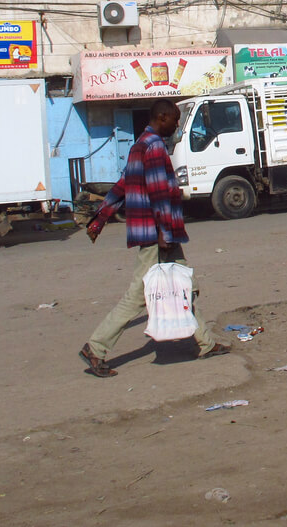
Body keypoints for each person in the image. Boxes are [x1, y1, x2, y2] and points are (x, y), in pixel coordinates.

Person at [79, 99, 229, 378]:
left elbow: (123, 184)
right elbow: (159, 194)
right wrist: (164, 232)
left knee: (185, 286)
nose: (176, 126)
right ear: (162, 118)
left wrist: (100, 218)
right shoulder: (155, 148)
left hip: (154, 232)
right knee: (138, 296)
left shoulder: (139, 145)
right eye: (175, 120)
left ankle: (206, 343)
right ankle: (96, 347)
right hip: (158, 234)